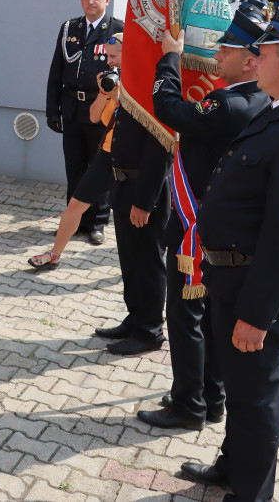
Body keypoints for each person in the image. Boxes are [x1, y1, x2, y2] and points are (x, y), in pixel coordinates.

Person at [177, 8, 279, 502]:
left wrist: (256, 316)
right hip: (232, 275)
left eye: (262, 53)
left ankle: (251, 494)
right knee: (242, 389)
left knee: (255, 394)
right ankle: (233, 467)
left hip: (254, 287)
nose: (255, 60)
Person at [137, 11, 268, 432]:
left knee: (184, 315)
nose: (216, 55)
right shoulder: (260, 99)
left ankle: (187, 405)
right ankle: (211, 399)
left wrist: (170, 58)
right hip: (222, 230)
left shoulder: (229, 104)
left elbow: (168, 107)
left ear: (250, 60)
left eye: (225, 49)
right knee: (208, 318)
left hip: (197, 228)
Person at [93, 69, 173, 357]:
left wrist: (145, 201)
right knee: (130, 259)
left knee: (148, 262)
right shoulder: (130, 90)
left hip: (144, 191)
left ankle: (150, 329)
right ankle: (135, 317)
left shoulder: (153, 96)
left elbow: (161, 151)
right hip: (124, 185)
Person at [29, 35, 121, 270]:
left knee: (134, 216)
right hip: (109, 154)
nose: (108, 61)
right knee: (75, 205)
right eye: (108, 56)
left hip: (132, 160)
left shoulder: (140, 83)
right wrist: (104, 92)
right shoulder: (113, 81)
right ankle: (55, 254)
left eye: (113, 56)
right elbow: (93, 117)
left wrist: (120, 93)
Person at [46, 0, 124, 245]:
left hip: (101, 108)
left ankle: (97, 223)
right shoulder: (70, 28)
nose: (90, 1)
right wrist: (52, 110)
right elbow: (56, 70)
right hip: (71, 108)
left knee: (100, 168)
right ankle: (74, 220)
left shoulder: (117, 29)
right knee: (74, 167)